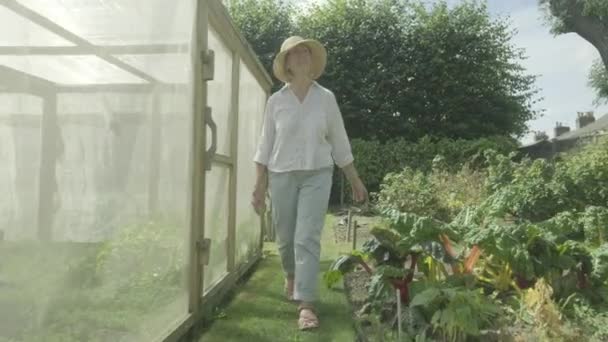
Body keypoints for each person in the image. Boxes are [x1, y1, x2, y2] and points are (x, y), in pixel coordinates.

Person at [252, 36, 368, 330]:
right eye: (296, 52)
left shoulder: (325, 98)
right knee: (286, 237)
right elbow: (265, 145)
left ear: (311, 60)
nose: (302, 55)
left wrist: (354, 179)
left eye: (306, 51)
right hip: (281, 175)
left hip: (318, 173)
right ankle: (291, 274)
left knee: (307, 237)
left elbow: (339, 140)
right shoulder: (275, 101)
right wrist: (258, 184)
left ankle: (306, 304)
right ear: (287, 62)